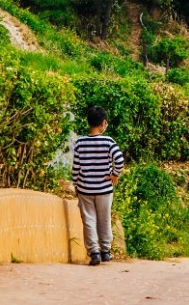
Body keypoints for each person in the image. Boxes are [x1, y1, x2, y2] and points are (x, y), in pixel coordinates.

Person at [72, 106, 125, 266]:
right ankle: (105, 251)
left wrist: (76, 183)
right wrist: (115, 174)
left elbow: (76, 167)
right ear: (104, 123)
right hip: (104, 189)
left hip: (85, 188)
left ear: (89, 122)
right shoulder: (108, 141)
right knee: (104, 219)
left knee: (88, 219)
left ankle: (94, 252)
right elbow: (119, 160)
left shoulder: (80, 142)